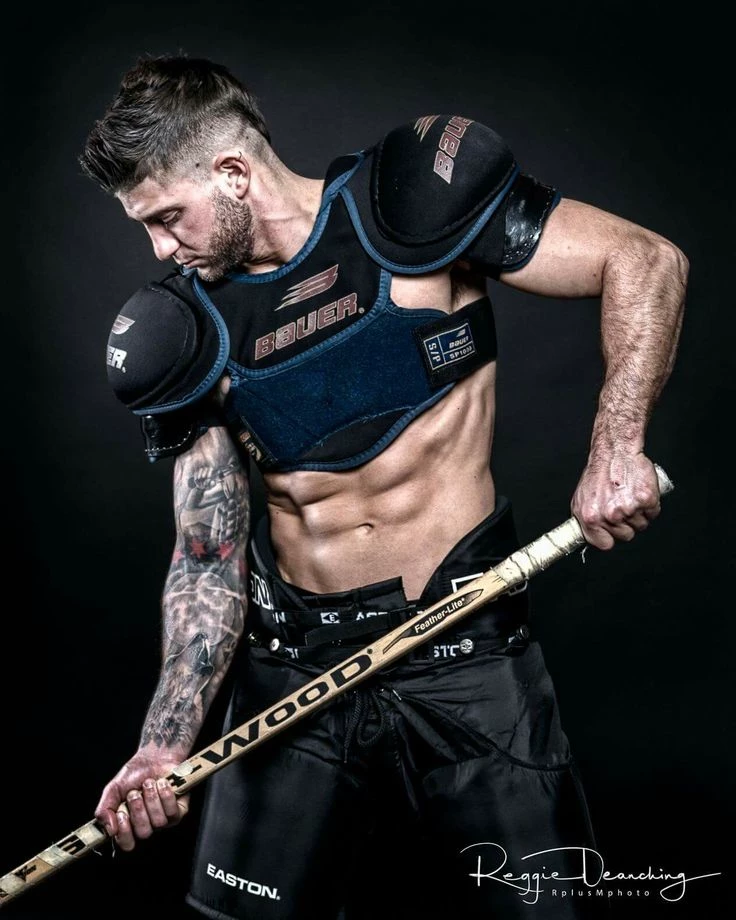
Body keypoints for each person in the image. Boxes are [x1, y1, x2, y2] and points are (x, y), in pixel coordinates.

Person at [79, 54, 687, 919]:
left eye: (168, 218)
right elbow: (208, 557)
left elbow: (644, 259)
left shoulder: (407, 207)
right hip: (293, 677)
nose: (160, 249)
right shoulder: (184, 328)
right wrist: (161, 745)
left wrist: (616, 446)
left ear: (233, 173)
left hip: (466, 655)